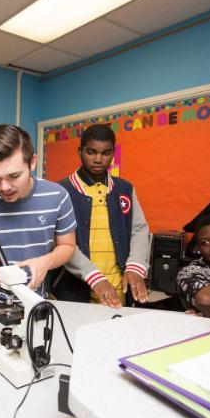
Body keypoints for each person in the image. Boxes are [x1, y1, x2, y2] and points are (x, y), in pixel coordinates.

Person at [0, 124, 77, 310]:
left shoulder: (58, 196)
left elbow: (67, 246)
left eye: (14, 176)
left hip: (35, 302)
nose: (4, 187)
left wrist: (46, 262)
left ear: (32, 162)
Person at [53, 123, 150, 308]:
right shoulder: (60, 191)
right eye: (91, 152)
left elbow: (139, 229)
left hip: (119, 292)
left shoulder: (125, 189)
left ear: (113, 153)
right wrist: (94, 277)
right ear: (79, 151)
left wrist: (135, 266)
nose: (98, 159)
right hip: (75, 294)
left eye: (106, 153)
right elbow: (60, 241)